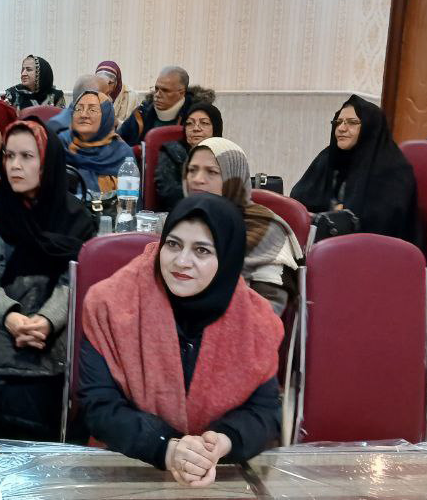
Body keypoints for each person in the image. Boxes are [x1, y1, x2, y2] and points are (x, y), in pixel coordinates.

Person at [79, 194, 283, 484]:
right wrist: (167, 448)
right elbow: (98, 405)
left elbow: (266, 413)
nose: (182, 261)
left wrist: (220, 444)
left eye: (202, 250)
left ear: (227, 258)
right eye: (173, 244)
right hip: (128, 466)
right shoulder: (109, 304)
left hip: (218, 474)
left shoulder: (257, 323)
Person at [0, 119, 97, 441]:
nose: (14, 166)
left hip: (55, 324)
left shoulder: (75, 217)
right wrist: (11, 316)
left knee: (61, 382)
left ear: (47, 163)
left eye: (26, 156)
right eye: (9, 156)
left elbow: (73, 281)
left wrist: (46, 321)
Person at [184, 138, 301, 314]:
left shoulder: (265, 231)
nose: (197, 179)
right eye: (192, 170)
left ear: (234, 178)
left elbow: (266, 314)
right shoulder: (182, 223)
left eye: (212, 172)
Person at [291, 95, 420, 245]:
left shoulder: (393, 169)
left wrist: (341, 215)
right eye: (338, 122)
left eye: (352, 123)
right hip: (322, 241)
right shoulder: (329, 157)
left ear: (370, 128)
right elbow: (299, 198)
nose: (341, 128)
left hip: (375, 248)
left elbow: (382, 222)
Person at [155, 103, 224, 213]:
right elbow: (169, 194)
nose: (196, 128)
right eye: (189, 123)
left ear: (216, 128)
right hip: (182, 213)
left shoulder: (226, 154)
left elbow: (236, 191)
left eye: (204, 123)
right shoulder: (172, 152)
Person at [117, 66, 210, 145]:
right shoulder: (142, 111)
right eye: (156, 89)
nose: (157, 95)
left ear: (181, 93)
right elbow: (118, 140)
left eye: (165, 90)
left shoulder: (198, 116)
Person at [59, 91, 129, 195]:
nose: (83, 115)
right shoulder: (61, 144)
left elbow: (130, 196)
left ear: (106, 115)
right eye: (78, 109)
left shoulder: (121, 152)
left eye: (92, 110)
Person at [97, 61, 135, 129]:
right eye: (101, 83)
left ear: (117, 81)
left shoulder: (130, 95)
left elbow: (134, 126)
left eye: (110, 83)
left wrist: (117, 122)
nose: (106, 87)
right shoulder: (92, 94)